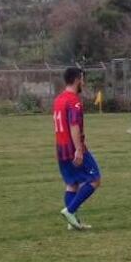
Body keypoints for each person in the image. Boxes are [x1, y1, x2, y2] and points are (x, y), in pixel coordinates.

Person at [54, 67, 100, 230]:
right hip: (73, 148)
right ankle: (70, 210)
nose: (83, 83)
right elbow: (74, 125)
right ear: (76, 80)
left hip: (61, 148)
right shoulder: (73, 100)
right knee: (95, 179)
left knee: (72, 184)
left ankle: (72, 222)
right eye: (82, 79)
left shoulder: (59, 99)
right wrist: (79, 149)